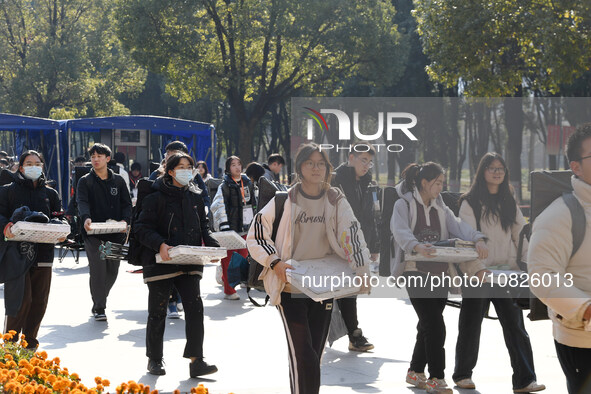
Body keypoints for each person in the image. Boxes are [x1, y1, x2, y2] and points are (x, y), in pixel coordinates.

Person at [246, 143, 371, 394]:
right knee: (302, 354)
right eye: (310, 163)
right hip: (290, 285)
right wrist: (275, 262)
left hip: (323, 287)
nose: (316, 168)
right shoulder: (284, 200)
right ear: (300, 168)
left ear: (328, 168)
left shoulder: (335, 199)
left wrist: (362, 269)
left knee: (315, 354)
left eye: (321, 163)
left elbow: (352, 234)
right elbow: (257, 235)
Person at [391, 162, 489, 394]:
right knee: (436, 325)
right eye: (437, 183)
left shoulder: (440, 207)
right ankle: (436, 377)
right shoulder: (403, 204)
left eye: (441, 183)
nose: (440, 187)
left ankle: (415, 371)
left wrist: (478, 238)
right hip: (414, 271)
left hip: (440, 273)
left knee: (427, 323)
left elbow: (458, 227)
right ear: (424, 183)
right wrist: (416, 245)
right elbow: (399, 230)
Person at [452, 153, 545, 392]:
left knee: (515, 326)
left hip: (506, 275)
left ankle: (525, 380)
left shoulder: (508, 200)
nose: (497, 172)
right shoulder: (469, 202)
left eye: (501, 168)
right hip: (479, 275)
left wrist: (527, 266)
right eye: (492, 168)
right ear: (482, 172)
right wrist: (478, 270)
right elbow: (466, 240)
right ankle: (463, 375)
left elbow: (521, 235)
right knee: (471, 325)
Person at [134, 152, 219, 378]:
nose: (187, 170)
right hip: (161, 261)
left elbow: (204, 228)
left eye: (189, 166)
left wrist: (214, 248)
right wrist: (160, 244)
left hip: (189, 260)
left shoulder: (196, 196)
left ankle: (196, 360)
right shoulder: (154, 197)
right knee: (157, 311)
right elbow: (141, 228)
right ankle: (154, 359)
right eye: (181, 167)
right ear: (170, 171)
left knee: (195, 309)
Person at [528, 124, 591, 394]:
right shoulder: (561, 214)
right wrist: (586, 310)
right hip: (583, 341)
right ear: (575, 167)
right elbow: (542, 277)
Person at [0, 150, 67, 349]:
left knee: (38, 302)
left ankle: (29, 348)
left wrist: (62, 229)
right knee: (20, 301)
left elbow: (60, 216)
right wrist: (7, 226)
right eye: (29, 163)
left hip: (44, 254)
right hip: (16, 255)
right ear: (20, 167)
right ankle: (9, 348)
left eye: (37, 163)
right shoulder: (6, 191)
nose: (33, 167)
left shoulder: (50, 193)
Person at [332, 143, 379, 352]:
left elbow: (372, 217)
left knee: (350, 289)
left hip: (359, 245)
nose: (367, 165)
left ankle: (353, 334)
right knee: (339, 290)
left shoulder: (368, 184)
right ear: (351, 158)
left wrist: (374, 244)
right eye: (363, 160)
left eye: (370, 161)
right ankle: (352, 333)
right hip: (337, 243)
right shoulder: (336, 180)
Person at [77, 143, 132, 321]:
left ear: (108, 159)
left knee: (112, 270)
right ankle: (100, 307)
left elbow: (126, 204)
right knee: (98, 269)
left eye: (99, 156)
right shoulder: (85, 181)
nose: (95, 159)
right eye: (92, 156)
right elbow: (82, 202)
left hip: (115, 234)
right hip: (93, 234)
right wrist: (86, 218)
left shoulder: (118, 181)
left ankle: (100, 298)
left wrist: (125, 221)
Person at [211, 155, 255, 300]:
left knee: (242, 257)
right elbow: (218, 206)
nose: (237, 167)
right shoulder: (224, 186)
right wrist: (224, 226)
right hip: (229, 229)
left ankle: (225, 275)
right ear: (228, 169)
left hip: (245, 227)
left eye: (239, 164)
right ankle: (229, 290)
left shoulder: (248, 183)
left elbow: (255, 203)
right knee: (228, 259)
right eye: (233, 165)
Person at [150, 141, 210, 208]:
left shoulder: (195, 176)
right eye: (167, 154)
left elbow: (204, 197)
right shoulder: (157, 175)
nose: (167, 157)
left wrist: (205, 209)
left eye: (173, 155)